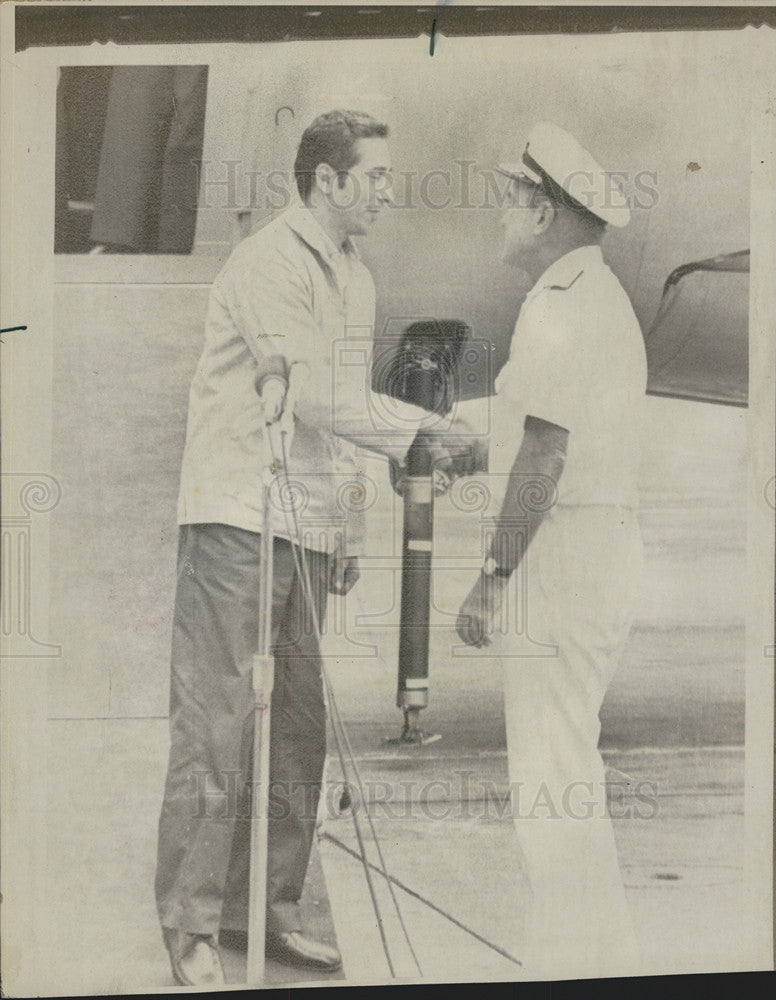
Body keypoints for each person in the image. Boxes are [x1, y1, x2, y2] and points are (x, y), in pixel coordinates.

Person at [155, 109, 474, 987]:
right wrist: (424, 433)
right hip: (236, 519)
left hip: (306, 531)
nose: (385, 191)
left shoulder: (355, 276)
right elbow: (312, 396)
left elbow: (337, 423)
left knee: (296, 735)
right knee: (220, 726)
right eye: (371, 176)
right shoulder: (268, 264)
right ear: (325, 181)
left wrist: (350, 524)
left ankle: (268, 913)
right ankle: (190, 925)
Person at [455, 122, 647, 980]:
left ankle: (572, 964)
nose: (501, 214)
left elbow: (543, 454)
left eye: (511, 198)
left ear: (541, 213)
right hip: (594, 550)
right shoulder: (592, 296)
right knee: (567, 770)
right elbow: (518, 432)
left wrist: (491, 579)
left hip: (563, 565)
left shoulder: (561, 305)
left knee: (551, 780)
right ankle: (592, 955)